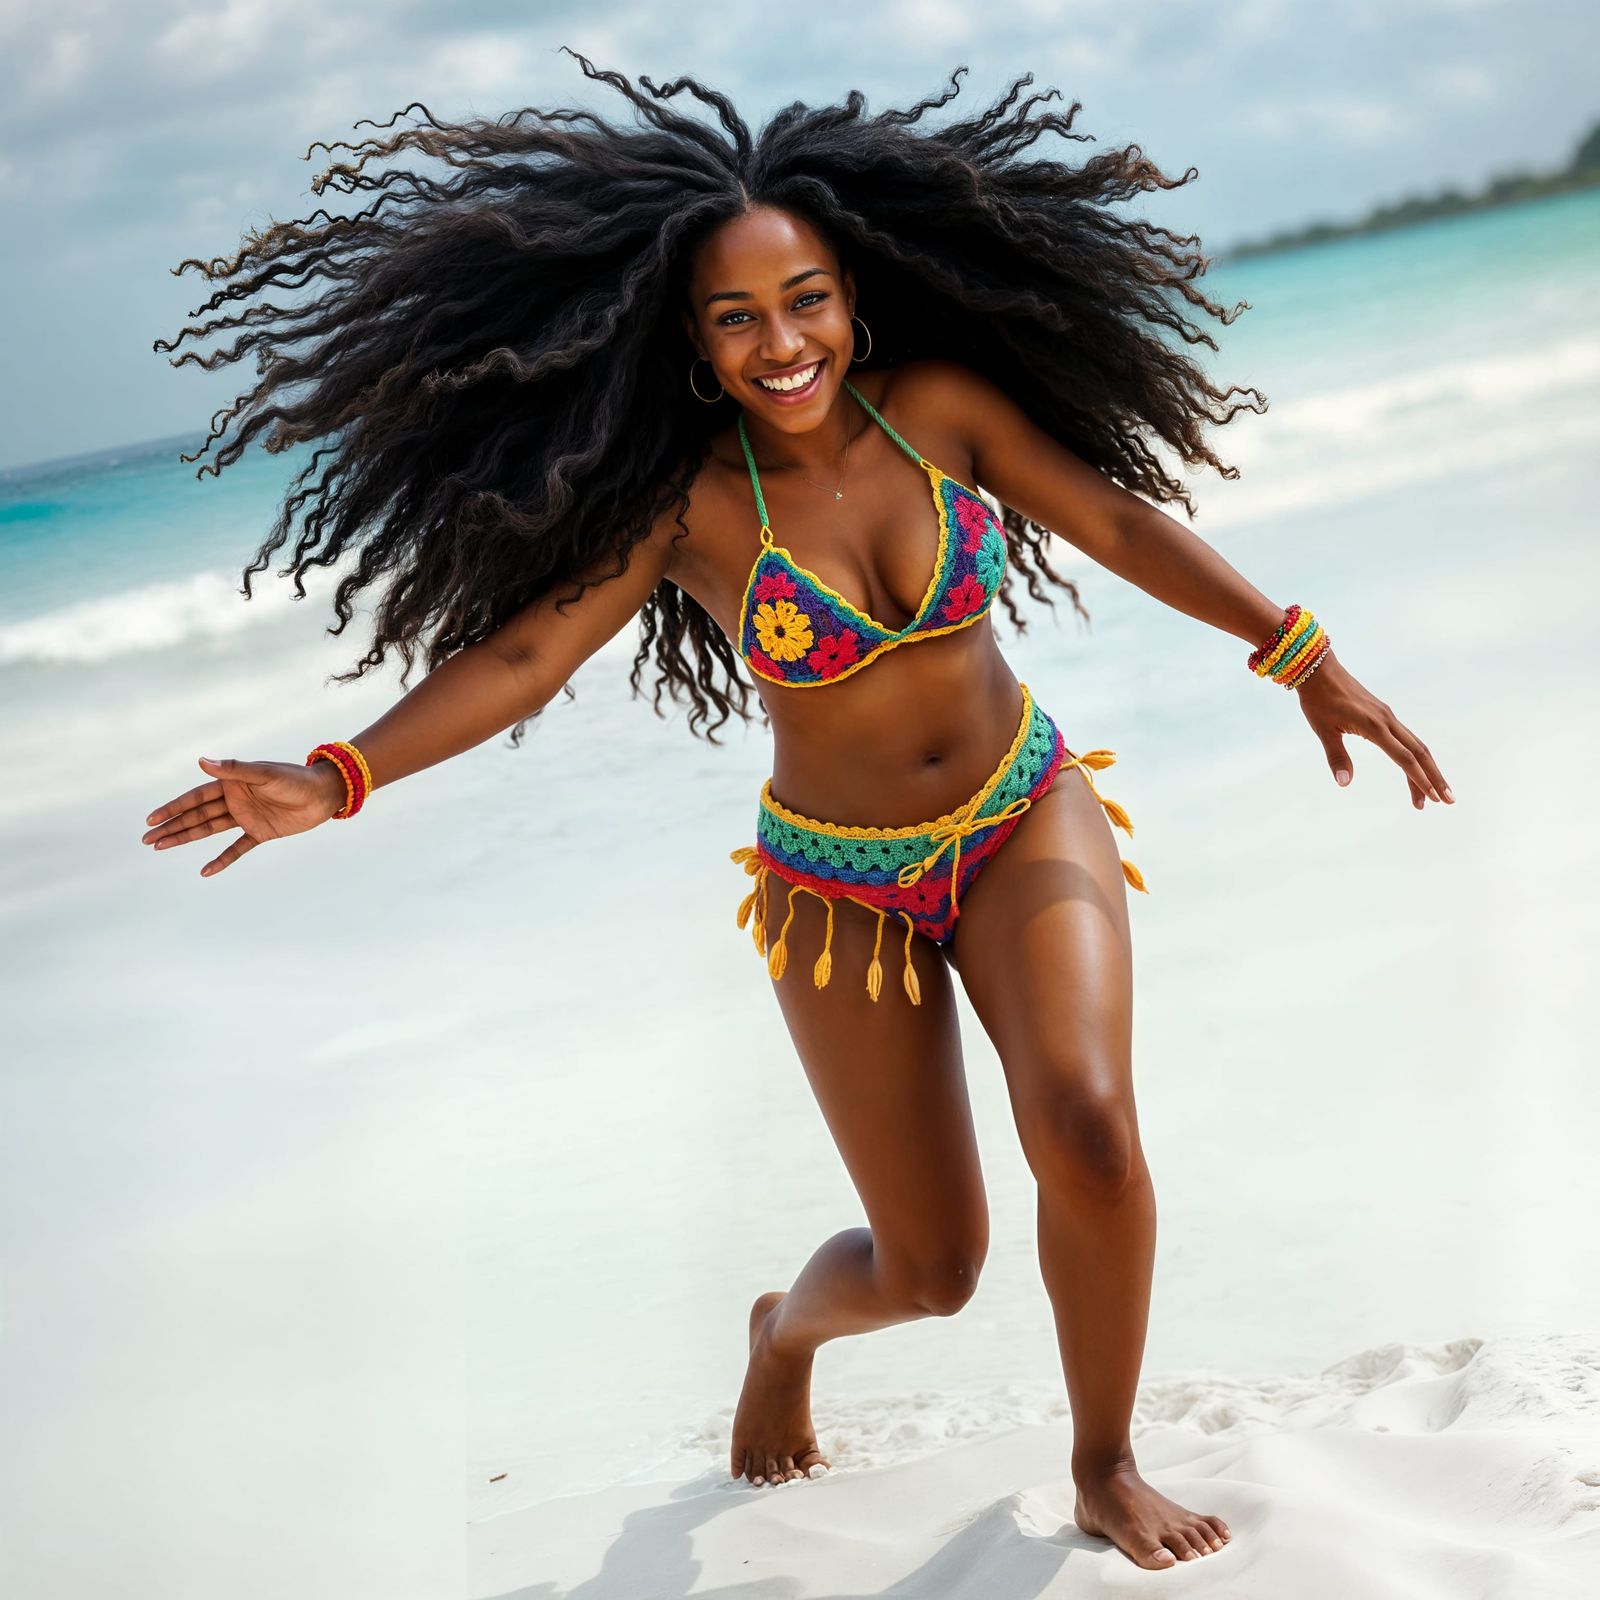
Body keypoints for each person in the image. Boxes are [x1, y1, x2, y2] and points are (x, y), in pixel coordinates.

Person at [141, 53, 1452, 1571]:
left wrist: (1307, 659)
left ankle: (1104, 1463)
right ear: (691, 343)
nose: (784, 341)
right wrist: (339, 774)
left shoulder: (941, 411)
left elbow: (1112, 519)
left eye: (807, 298)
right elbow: (522, 652)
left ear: (854, 293)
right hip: (834, 885)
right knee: (930, 1269)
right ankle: (781, 1337)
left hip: (1024, 818)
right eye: (737, 316)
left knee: (1089, 1135)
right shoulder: (684, 504)